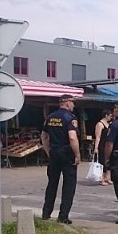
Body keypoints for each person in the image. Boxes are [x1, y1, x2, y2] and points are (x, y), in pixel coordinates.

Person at [41, 94, 80, 224]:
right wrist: (77, 155)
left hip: (54, 153)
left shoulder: (50, 117)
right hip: (67, 153)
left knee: (52, 184)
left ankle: (46, 213)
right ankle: (63, 216)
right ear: (67, 103)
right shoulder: (70, 118)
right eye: (73, 103)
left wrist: (48, 151)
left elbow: (44, 136)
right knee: (69, 186)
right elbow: (72, 138)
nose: (74, 105)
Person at [93, 108, 113, 185]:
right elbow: (98, 136)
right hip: (101, 144)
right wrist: (96, 147)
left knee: (109, 161)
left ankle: (107, 177)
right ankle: (101, 179)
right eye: (110, 115)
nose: (111, 117)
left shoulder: (109, 124)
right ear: (106, 115)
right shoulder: (100, 124)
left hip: (107, 144)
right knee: (102, 161)